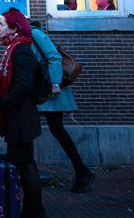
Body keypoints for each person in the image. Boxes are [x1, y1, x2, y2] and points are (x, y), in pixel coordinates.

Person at [29, 20, 94, 193]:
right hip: (43, 90)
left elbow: (54, 57)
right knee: (55, 129)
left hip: (52, 91)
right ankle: (81, 171)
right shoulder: (26, 36)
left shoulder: (35, 34)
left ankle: (82, 171)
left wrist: (55, 83)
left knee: (56, 129)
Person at [0, 9, 45, 218]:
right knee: (23, 161)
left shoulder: (20, 50)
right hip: (18, 117)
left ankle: (35, 210)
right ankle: (33, 208)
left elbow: (23, 86)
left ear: (14, 28)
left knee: (25, 163)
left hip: (21, 117)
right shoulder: (14, 48)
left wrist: (3, 102)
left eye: (2, 24)